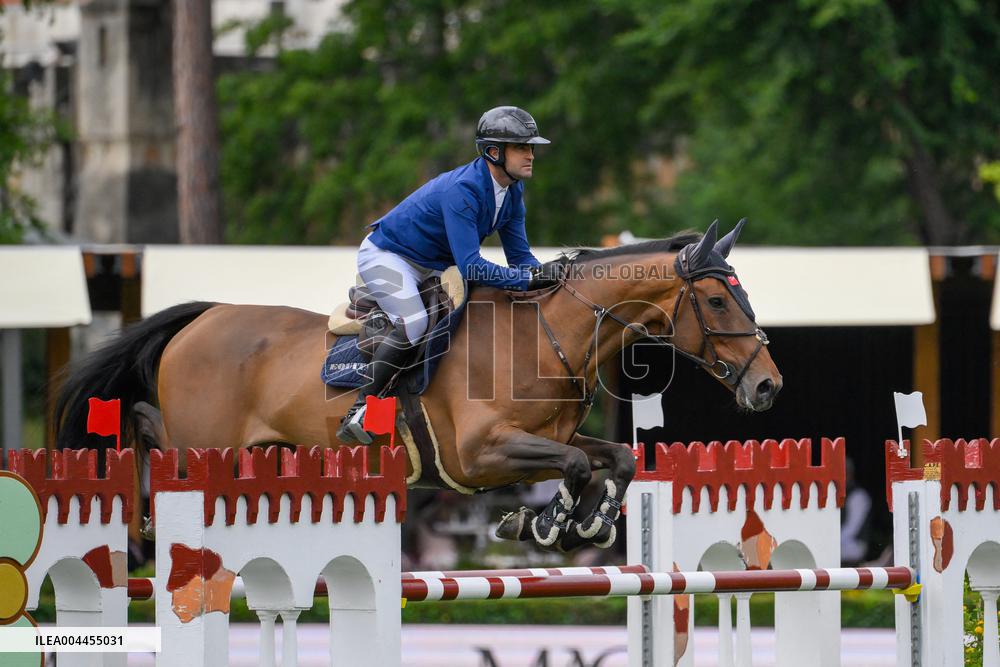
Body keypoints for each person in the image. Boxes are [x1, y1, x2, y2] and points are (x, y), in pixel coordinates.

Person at [337, 106, 562, 444]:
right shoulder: (464, 190)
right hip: (390, 255)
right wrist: (528, 280)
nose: (531, 155)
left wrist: (550, 276)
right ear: (493, 152)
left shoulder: (512, 192)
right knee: (414, 322)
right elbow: (472, 266)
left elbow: (519, 258)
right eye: (522, 148)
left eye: (531, 147)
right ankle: (361, 409)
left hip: (434, 264)